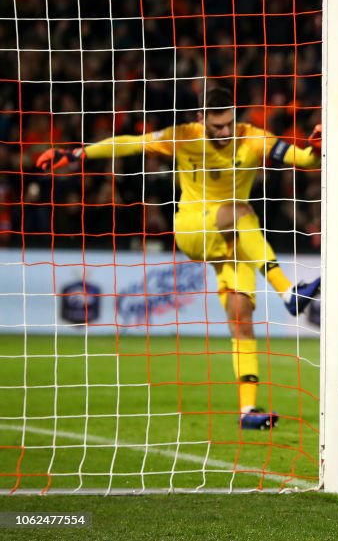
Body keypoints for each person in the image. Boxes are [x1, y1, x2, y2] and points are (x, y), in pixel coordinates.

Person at [36, 87, 323, 430]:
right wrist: (77, 154)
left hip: (235, 241)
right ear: (201, 120)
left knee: (241, 318)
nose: (225, 131)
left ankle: (248, 411)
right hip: (193, 227)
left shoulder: (252, 137)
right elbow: (129, 142)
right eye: (217, 126)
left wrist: (318, 146)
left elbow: (305, 160)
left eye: (229, 123)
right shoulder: (183, 137)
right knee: (241, 209)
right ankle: (288, 292)